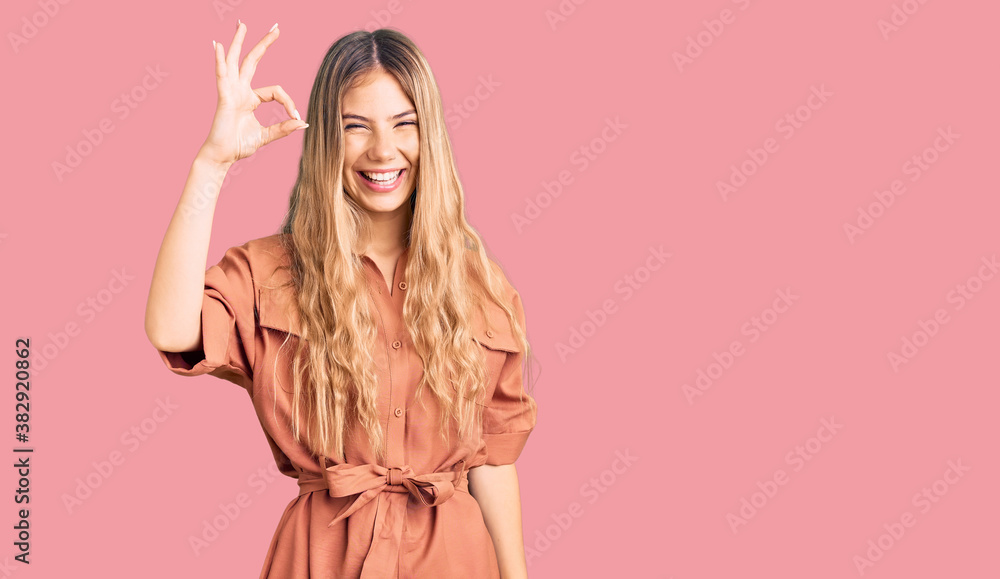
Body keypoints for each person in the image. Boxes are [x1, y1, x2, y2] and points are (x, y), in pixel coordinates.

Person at [144, 21, 538, 579]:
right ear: (327, 138)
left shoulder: (482, 287)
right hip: (319, 560)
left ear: (431, 135)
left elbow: (494, 463)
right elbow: (170, 330)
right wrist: (211, 166)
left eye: (405, 124)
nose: (383, 150)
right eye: (356, 127)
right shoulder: (269, 272)